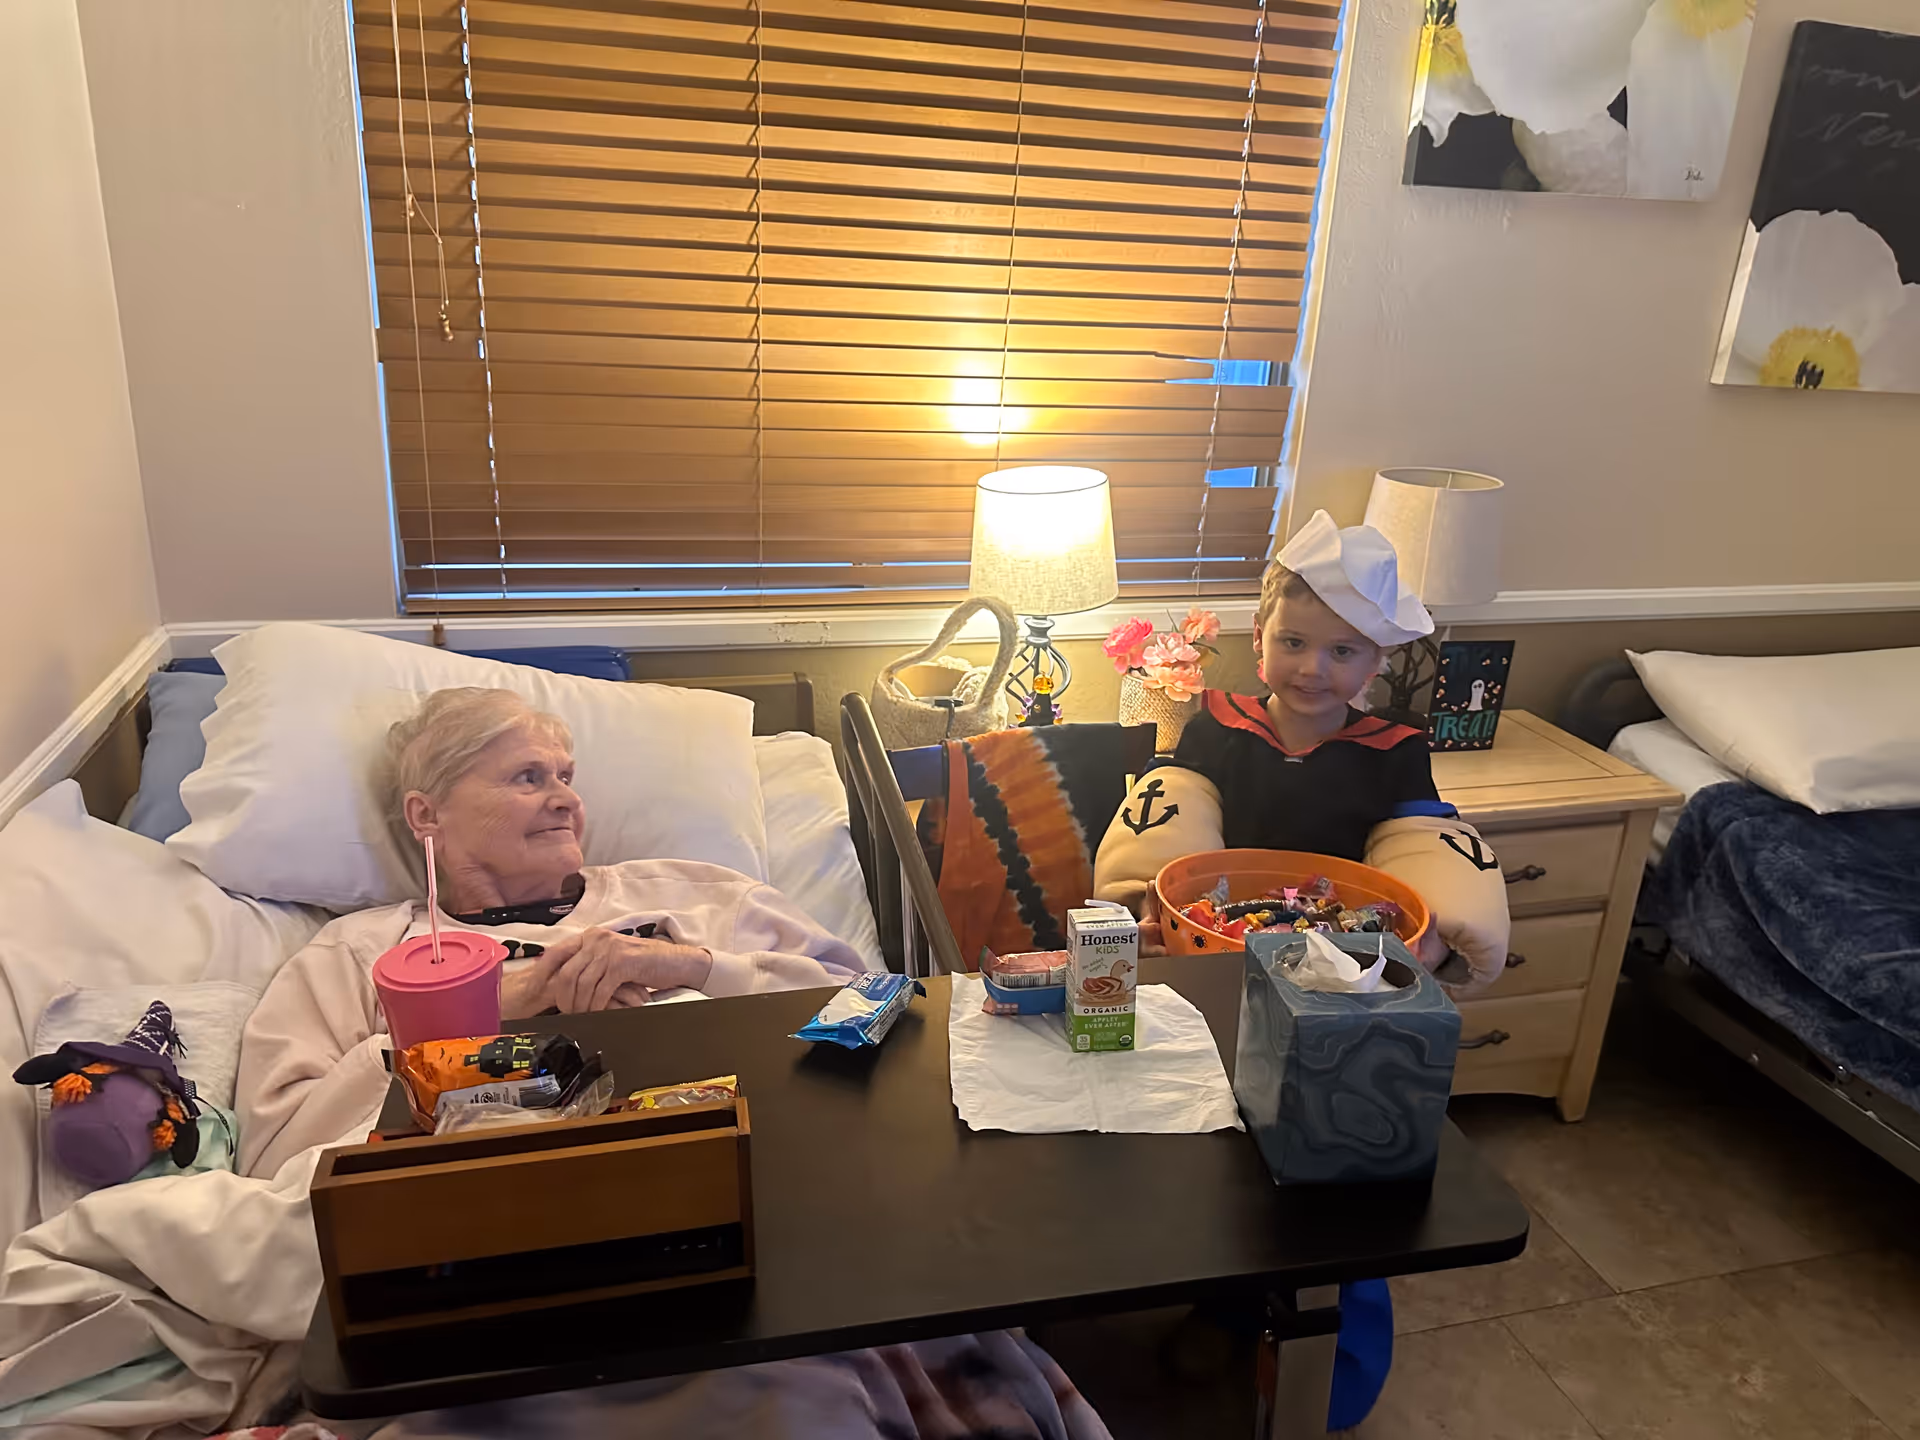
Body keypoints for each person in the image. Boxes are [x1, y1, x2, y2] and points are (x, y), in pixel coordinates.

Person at [236, 687, 868, 1179]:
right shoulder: (360, 953)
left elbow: (868, 1007)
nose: (566, 799)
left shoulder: (692, 892)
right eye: (528, 778)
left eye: (566, 777)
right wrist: (494, 1015)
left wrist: (693, 967)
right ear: (427, 815)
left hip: (743, 1159)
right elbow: (276, 1151)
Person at [1092, 509, 1510, 991]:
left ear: (1376, 660)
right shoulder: (1217, 728)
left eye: (1342, 652)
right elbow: (1167, 821)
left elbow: (1424, 847)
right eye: (1293, 642)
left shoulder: (1396, 750)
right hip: (1223, 949)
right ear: (1257, 636)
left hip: (1344, 967)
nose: (1312, 668)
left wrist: (1433, 939)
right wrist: (1152, 910)